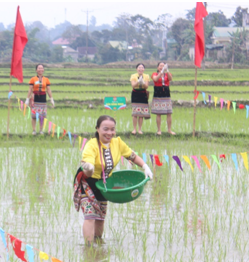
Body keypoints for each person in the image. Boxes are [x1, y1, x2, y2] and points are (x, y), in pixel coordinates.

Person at [73, 115, 153, 246]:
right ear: (97, 129)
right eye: (105, 129)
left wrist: (145, 166)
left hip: (105, 183)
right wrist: (89, 168)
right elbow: (88, 165)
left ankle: (98, 245)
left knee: (100, 217)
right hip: (87, 182)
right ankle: (88, 249)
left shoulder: (118, 143)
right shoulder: (91, 145)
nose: (109, 133)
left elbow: (132, 156)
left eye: (112, 129)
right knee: (90, 215)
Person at [25, 64, 55, 135]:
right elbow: (30, 89)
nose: (40, 69)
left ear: (43, 70)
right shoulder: (33, 79)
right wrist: (27, 99)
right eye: (39, 68)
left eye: (42, 68)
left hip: (43, 98)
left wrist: (51, 99)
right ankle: (34, 130)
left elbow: (48, 89)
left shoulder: (46, 79)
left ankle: (41, 130)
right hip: (34, 98)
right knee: (34, 116)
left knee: (42, 116)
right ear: (36, 70)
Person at [151, 62, 175, 135]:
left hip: (166, 93)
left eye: (163, 66)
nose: (162, 67)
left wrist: (167, 71)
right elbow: (155, 79)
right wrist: (161, 72)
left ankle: (169, 130)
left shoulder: (168, 74)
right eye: (160, 66)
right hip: (158, 93)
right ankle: (159, 130)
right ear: (157, 67)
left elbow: (170, 79)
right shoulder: (154, 74)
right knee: (158, 113)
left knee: (169, 112)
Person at [129, 63, 150, 135]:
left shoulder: (146, 76)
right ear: (136, 69)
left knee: (141, 113)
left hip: (143, 94)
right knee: (135, 113)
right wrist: (138, 81)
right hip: (135, 94)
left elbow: (146, 86)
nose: (140, 69)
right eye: (139, 67)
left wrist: (143, 82)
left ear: (144, 69)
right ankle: (134, 129)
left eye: (142, 67)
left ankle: (139, 129)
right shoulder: (133, 76)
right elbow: (133, 85)